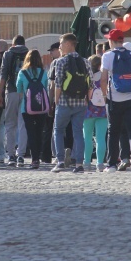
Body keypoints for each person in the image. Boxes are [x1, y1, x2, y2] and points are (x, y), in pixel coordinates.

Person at [100, 29, 131, 173]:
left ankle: (111, 165)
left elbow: (103, 79)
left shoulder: (108, 56)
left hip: (114, 100)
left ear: (111, 41)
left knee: (113, 132)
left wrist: (105, 96)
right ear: (122, 41)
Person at [51, 33, 92, 173]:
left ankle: (60, 161)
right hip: (81, 103)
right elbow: (90, 85)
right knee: (78, 133)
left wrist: (56, 101)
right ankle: (79, 164)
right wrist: (87, 100)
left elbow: (58, 84)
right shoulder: (86, 62)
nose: (60, 47)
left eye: (61, 44)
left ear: (68, 44)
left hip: (64, 102)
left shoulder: (60, 62)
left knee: (58, 130)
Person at [0, 35, 29, 167]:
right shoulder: (29, 53)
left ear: (13, 44)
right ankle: (20, 155)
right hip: (27, 92)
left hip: (11, 90)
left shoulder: (8, 54)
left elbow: (3, 74)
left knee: (10, 124)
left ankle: (11, 155)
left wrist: (0, 94)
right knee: (23, 125)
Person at [16, 49, 49, 169]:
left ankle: (33, 159)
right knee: (39, 132)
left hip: (27, 107)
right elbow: (45, 87)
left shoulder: (22, 73)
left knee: (30, 132)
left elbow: (18, 89)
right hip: (42, 106)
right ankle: (37, 157)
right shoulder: (43, 72)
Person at [83, 55, 107, 172]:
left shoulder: (87, 77)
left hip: (88, 110)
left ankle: (87, 162)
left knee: (87, 137)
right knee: (100, 138)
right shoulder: (104, 76)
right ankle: (100, 163)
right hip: (103, 110)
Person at [41, 42, 60, 163]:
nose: (50, 53)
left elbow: (51, 85)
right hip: (69, 101)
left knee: (51, 129)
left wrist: (50, 101)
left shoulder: (55, 63)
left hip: (55, 101)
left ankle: (50, 155)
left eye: (52, 50)